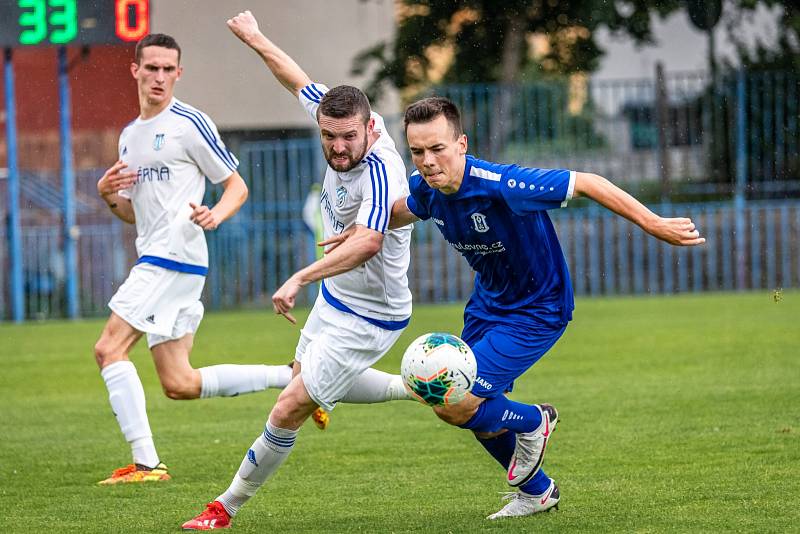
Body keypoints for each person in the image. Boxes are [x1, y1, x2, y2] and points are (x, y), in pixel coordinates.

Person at [341, 96, 705, 520]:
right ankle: (537, 492)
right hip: (487, 306)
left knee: (454, 400)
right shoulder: (429, 189)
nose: (426, 160)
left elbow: (588, 182)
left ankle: (533, 421)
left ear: (462, 143)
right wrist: (364, 228)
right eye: (417, 151)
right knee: (468, 410)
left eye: (437, 148)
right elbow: (406, 209)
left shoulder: (502, 184)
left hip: (538, 309)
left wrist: (655, 224)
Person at [181, 11, 414, 530]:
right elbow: (296, 78)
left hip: (373, 314)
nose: (336, 147)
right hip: (337, 300)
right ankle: (417, 387)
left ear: (370, 125)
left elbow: (370, 242)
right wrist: (255, 36)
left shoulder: (381, 168)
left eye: (347, 137)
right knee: (301, 382)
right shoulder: (335, 114)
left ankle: (224, 508)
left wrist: (301, 276)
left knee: (289, 406)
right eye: (328, 135)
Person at [94, 33, 302, 485]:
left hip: (173, 259)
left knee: (108, 349)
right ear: (136, 70)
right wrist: (107, 196)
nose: (160, 77)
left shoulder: (189, 122)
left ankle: (147, 465)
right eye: (152, 68)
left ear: (179, 74)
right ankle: (291, 376)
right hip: (159, 257)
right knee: (179, 383)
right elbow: (133, 214)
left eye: (169, 69)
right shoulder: (130, 137)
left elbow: (236, 186)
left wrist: (216, 215)